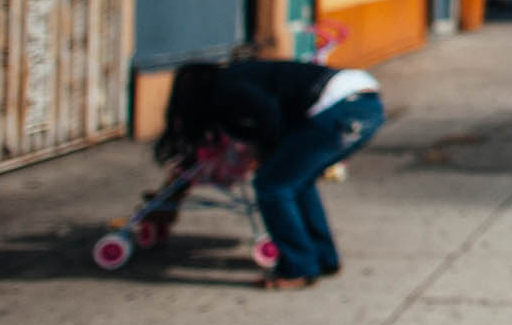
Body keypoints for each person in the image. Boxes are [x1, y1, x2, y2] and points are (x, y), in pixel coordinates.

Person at [153, 59, 384, 289]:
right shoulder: (241, 76)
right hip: (364, 102)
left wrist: (269, 153)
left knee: (272, 186)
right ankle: (323, 259)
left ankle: (298, 269)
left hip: (340, 106)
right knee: (295, 182)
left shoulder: (228, 88)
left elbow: (269, 115)